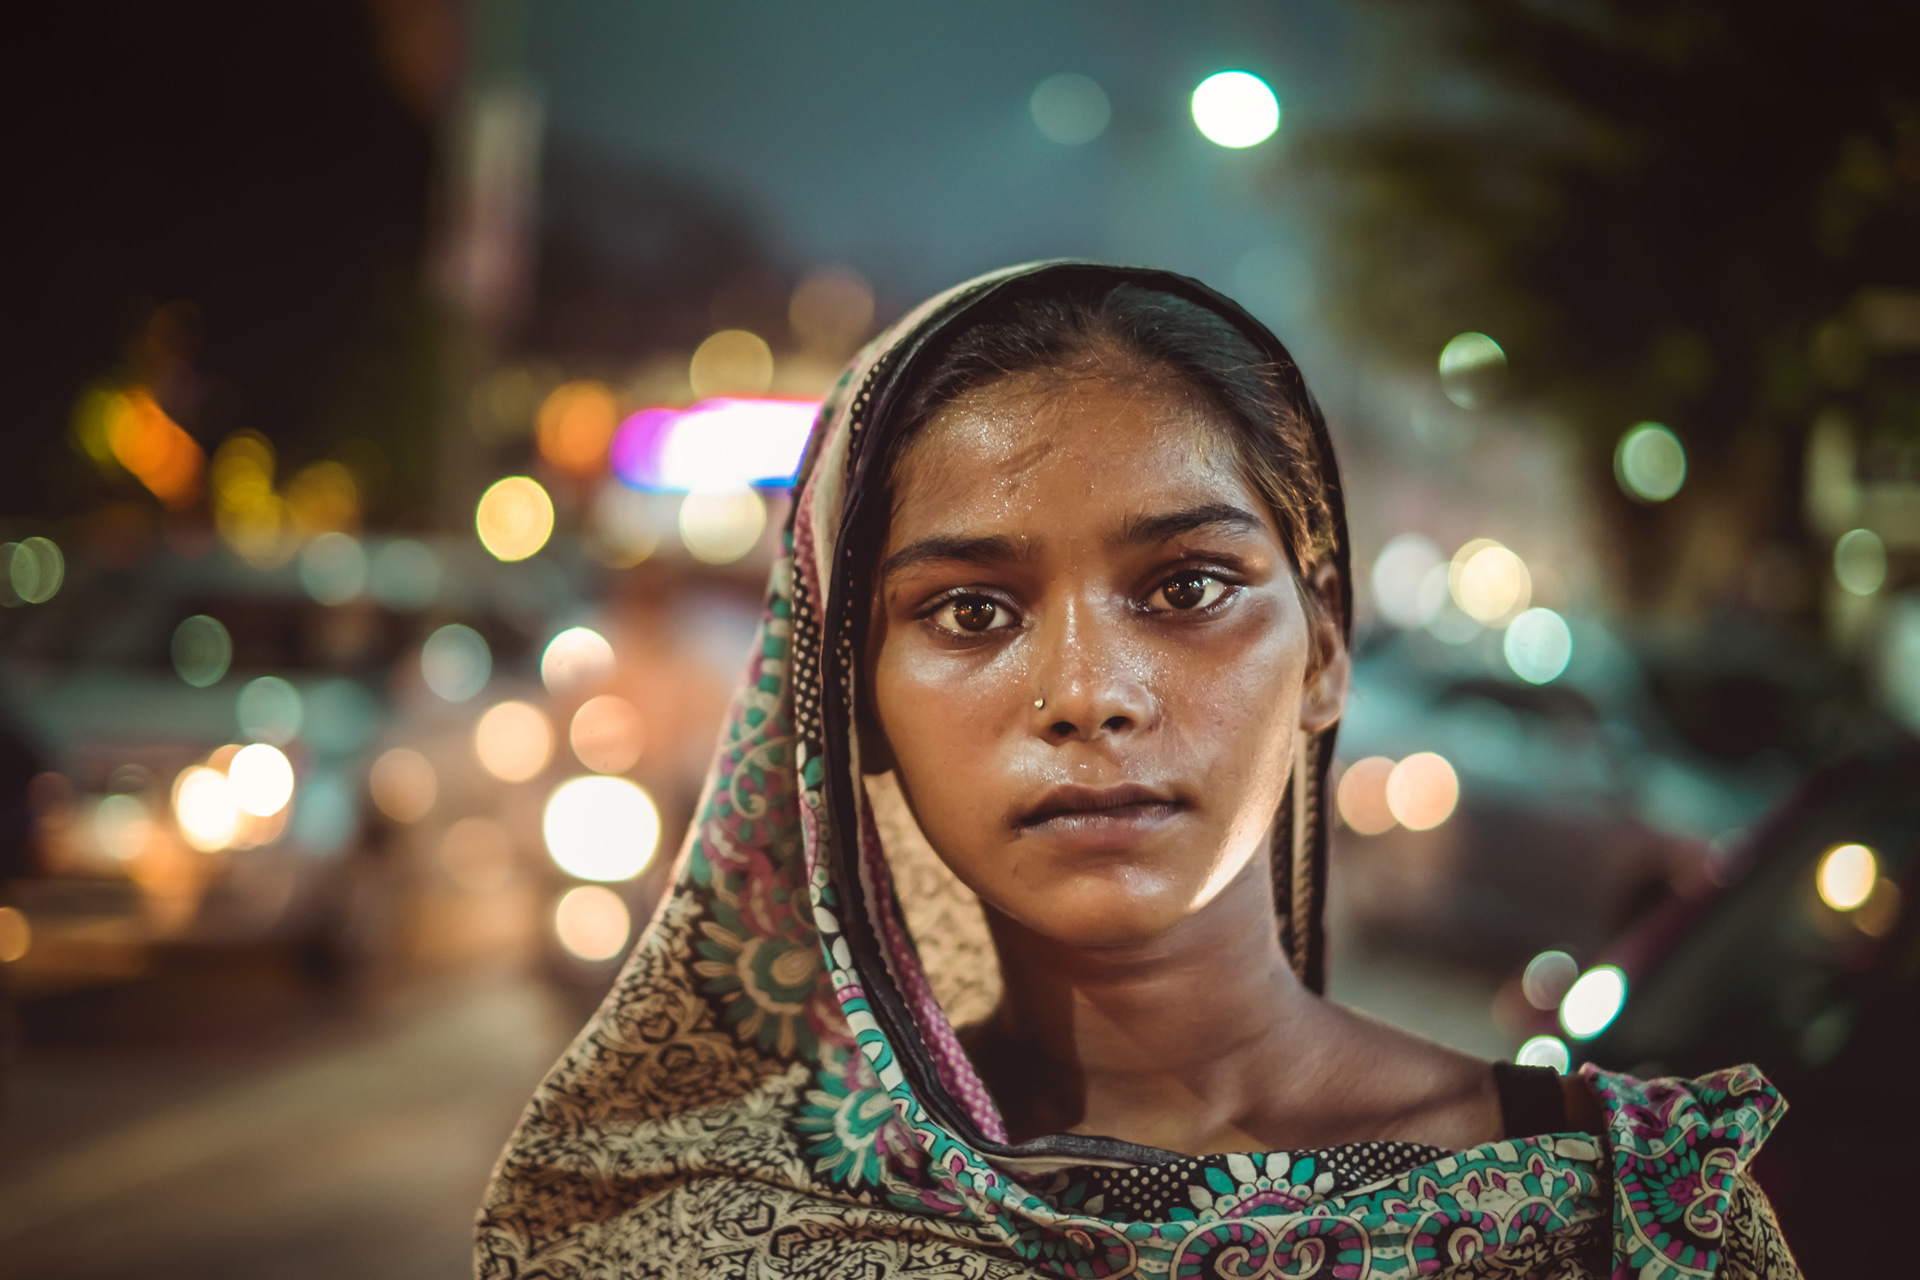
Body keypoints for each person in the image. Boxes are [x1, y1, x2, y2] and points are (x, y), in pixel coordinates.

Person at [477, 263, 1801, 1278]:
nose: (1089, 695)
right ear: (853, 709)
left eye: (1186, 586)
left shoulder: (1623, 1219)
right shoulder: (704, 1231)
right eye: (972, 613)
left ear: (1326, 649)